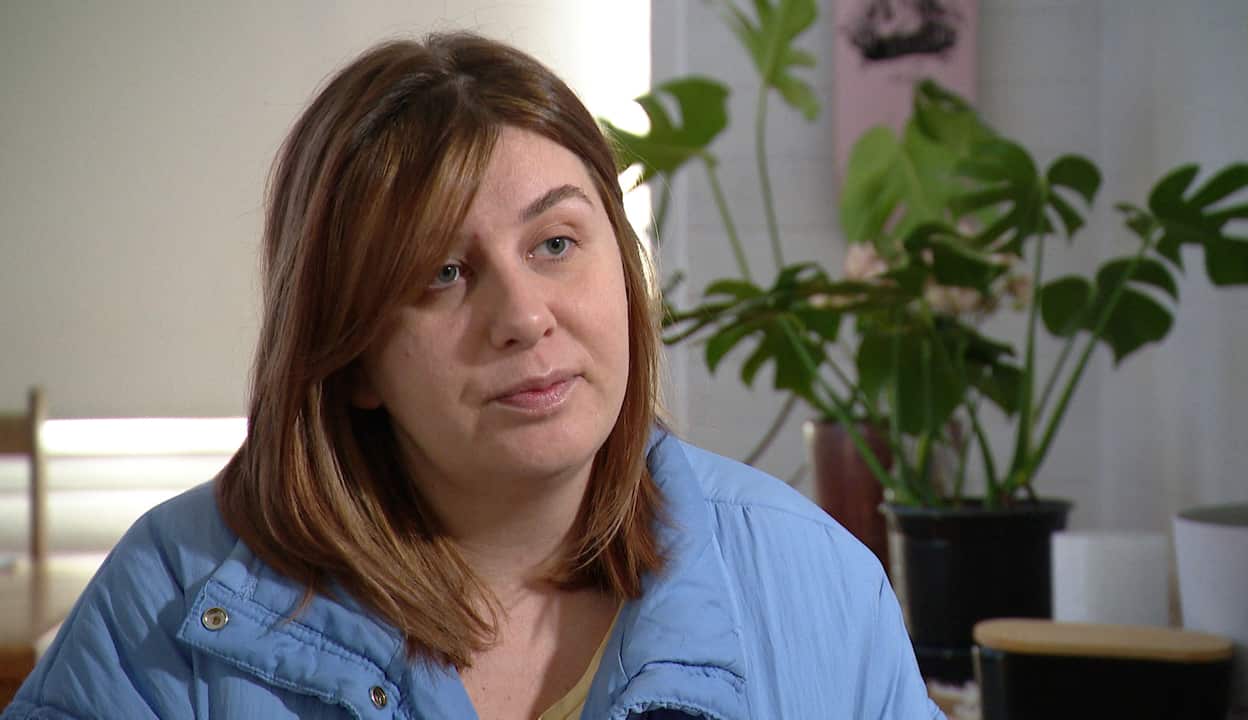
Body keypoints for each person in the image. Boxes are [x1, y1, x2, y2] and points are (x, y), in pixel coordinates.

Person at [2, 32, 943, 719]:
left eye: (558, 242)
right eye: (442, 274)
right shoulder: (168, 602)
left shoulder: (818, 587)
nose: (525, 317)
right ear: (351, 354)